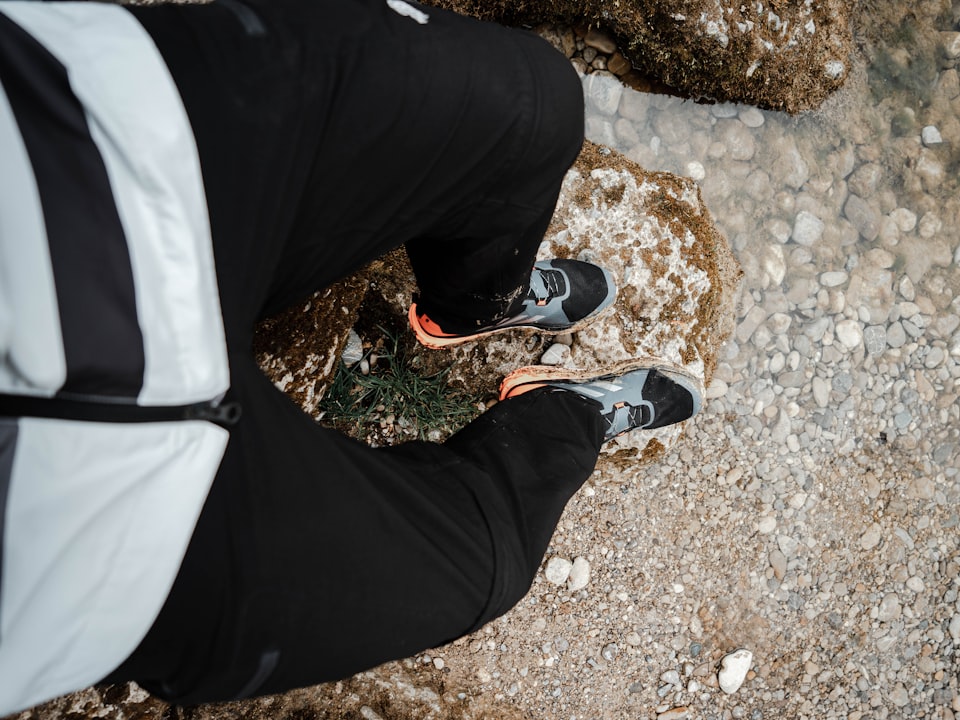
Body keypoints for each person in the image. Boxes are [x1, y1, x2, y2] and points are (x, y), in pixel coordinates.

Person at [0, 0, 702, 712]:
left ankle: (470, 308)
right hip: (102, 560)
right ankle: (563, 414)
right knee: (490, 561)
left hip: (76, 143)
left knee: (536, 106)